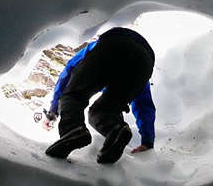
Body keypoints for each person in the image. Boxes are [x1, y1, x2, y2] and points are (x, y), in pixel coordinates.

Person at [41, 27, 156, 164]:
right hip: (144, 61)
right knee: (104, 111)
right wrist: (147, 140)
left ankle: (73, 129)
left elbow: (69, 70)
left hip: (113, 42)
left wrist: (54, 108)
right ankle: (116, 129)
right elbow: (144, 103)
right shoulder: (140, 62)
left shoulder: (94, 47)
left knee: (74, 95)